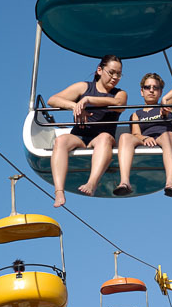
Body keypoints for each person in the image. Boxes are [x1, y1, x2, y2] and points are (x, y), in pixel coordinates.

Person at [47, 55, 128, 207]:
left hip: (101, 139)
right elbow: (53, 100)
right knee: (61, 140)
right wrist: (75, 106)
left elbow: (119, 104)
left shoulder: (119, 93)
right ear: (99, 70)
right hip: (80, 136)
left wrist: (88, 100)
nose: (115, 77)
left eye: (119, 74)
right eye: (111, 72)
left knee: (104, 137)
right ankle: (59, 192)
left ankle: (92, 183)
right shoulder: (84, 87)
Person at [113, 73, 172, 197]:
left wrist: (165, 99)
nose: (151, 90)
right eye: (148, 87)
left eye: (155, 88)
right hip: (145, 139)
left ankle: (170, 183)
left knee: (168, 136)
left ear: (160, 91)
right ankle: (124, 182)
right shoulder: (137, 114)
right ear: (142, 91)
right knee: (125, 137)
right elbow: (136, 133)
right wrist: (145, 138)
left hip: (163, 137)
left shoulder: (167, 107)